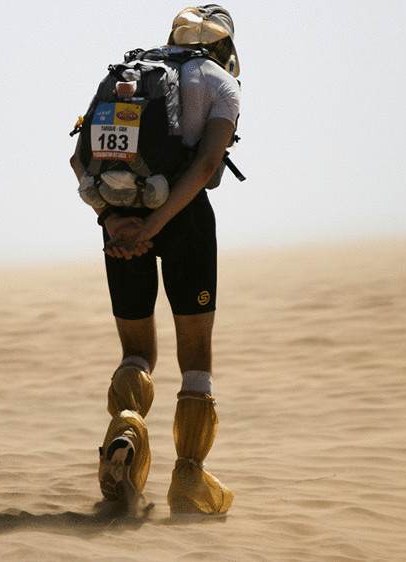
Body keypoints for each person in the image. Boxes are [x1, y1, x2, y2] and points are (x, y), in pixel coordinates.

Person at [69, 5, 241, 515]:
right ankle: (188, 478)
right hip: (182, 222)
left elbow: (80, 159)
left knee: (137, 352)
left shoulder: (128, 76)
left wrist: (113, 220)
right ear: (225, 48)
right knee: (196, 360)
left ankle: (126, 427)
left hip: (120, 217)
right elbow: (208, 161)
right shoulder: (220, 84)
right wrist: (159, 223)